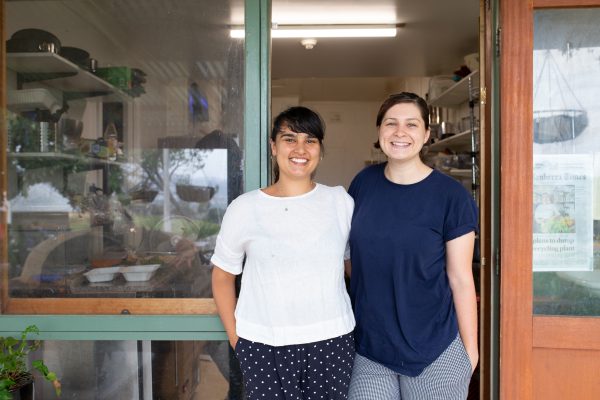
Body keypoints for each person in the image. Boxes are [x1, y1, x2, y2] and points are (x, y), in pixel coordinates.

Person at [211, 106, 356, 400]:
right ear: (274, 147)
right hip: (263, 345)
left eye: (310, 140)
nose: (300, 149)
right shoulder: (245, 208)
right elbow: (222, 276)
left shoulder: (340, 202)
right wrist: (237, 340)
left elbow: (354, 268)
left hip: (332, 342)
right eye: (290, 139)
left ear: (320, 150)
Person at [346, 92, 479, 399]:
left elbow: (461, 279)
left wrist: (470, 352)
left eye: (411, 124)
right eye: (391, 123)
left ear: (427, 133)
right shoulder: (363, 183)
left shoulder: (451, 196)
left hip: (435, 349)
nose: (400, 132)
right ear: (379, 130)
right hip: (370, 348)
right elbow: (353, 259)